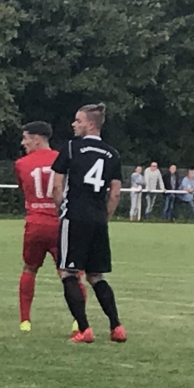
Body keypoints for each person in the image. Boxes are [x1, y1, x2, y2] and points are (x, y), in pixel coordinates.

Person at [52, 103, 125, 343]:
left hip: (74, 217)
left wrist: (60, 208)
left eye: (78, 120)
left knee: (69, 273)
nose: (74, 124)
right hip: (98, 219)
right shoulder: (113, 154)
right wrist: (105, 216)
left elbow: (57, 185)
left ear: (90, 124)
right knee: (96, 276)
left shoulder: (71, 148)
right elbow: (115, 193)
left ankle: (84, 329)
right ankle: (116, 326)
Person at [14, 123, 61, 332]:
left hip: (35, 223)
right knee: (70, 273)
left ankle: (25, 321)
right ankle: (78, 321)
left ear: (37, 139)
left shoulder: (21, 164)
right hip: (59, 223)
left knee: (30, 268)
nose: (23, 143)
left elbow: (23, 188)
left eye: (26, 138)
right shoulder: (63, 159)